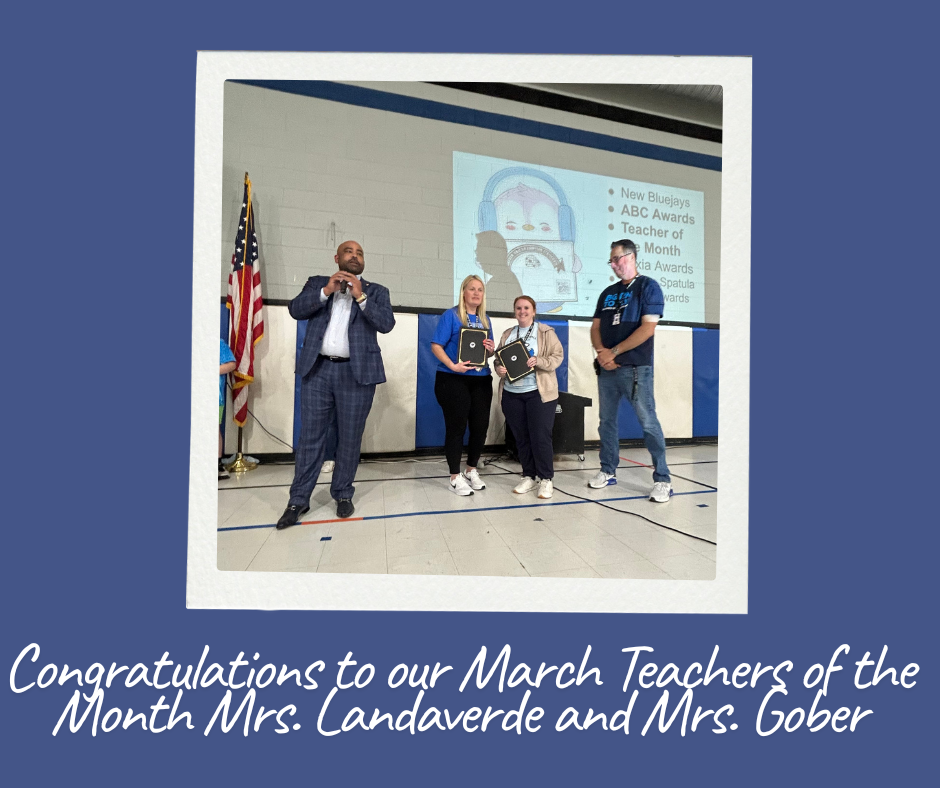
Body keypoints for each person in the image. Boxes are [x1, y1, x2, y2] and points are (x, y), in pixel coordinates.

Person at [276, 240, 395, 528]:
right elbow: (296, 309)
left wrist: (361, 297)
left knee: (350, 438)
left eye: (360, 253)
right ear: (337, 258)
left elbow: (386, 323)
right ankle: (298, 500)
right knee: (310, 438)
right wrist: (327, 290)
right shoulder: (317, 283)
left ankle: (342, 493)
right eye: (349, 252)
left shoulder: (377, 291)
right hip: (317, 371)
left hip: (356, 374)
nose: (355, 256)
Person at [589, 239, 672, 502]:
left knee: (648, 422)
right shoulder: (607, 292)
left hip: (636, 369)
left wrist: (613, 352)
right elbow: (595, 327)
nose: (614, 265)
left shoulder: (648, 287)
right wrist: (602, 353)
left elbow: (647, 328)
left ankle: (663, 479)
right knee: (607, 423)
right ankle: (607, 470)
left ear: (632, 257)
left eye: (618, 259)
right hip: (607, 369)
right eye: (611, 261)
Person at [430, 275, 496, 495]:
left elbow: (489, 352)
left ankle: (471, 469)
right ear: (464, 292)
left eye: (480, 289)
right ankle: (454, 476)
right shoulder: (451, 315)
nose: (476, 293)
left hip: (481, 378)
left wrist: (490, 349)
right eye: (472, 289)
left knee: (480, 426)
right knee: (457, 427)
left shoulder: (485, 319)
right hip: (453, 377)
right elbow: (436, 345)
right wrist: (452, 365)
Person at [494, 295, 564, 499]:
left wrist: (539, 361)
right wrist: (499, 368)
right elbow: (498, 359)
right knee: (521, 438)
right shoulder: (508, 333)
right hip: (512, 394)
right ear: (514, 311)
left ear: (533, 311)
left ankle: (546, 479)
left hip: (539, 394)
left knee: (540, 437)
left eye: (526, 308)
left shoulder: (545, 332)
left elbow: (557, 356)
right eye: (518, 308)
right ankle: (528, 475)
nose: (522, 311)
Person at [219, 339, 237, 480]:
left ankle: (217, 463)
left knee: (213, 429)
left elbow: (231, 364)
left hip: (213, 398)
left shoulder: (217, 343)